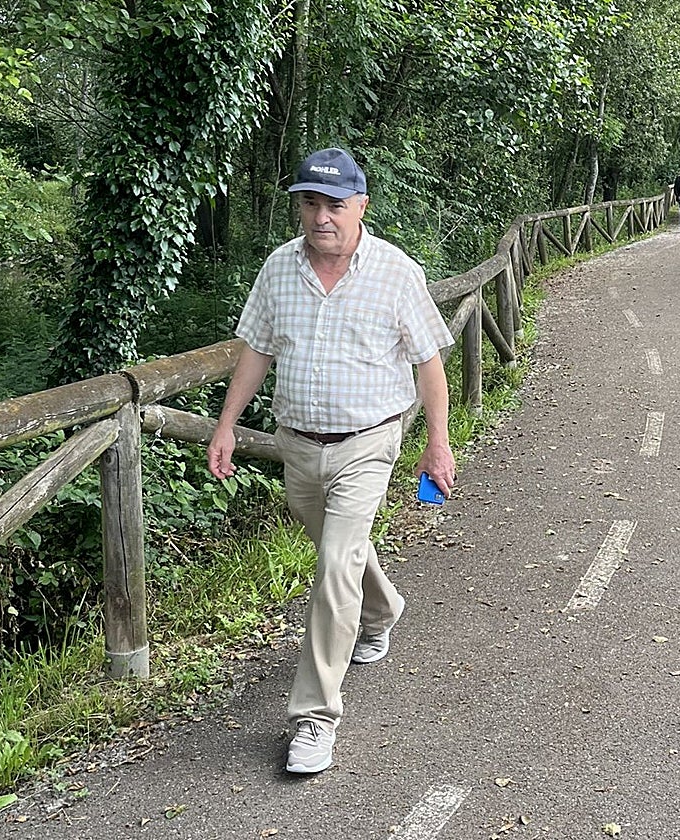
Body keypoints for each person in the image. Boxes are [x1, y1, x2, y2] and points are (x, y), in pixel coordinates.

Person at [207, 147, 455, 775]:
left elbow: (429, 361)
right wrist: (227, 425)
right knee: (339, 554)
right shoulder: (278, 270)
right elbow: (256, 351)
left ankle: (314, 717)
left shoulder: (396, 273)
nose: (321, 217)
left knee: (335, 563)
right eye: (309, 204)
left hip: (369, 441)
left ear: (360, 206)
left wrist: (437, 441)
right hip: (297, 444)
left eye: (334, 205)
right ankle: (383, 611)